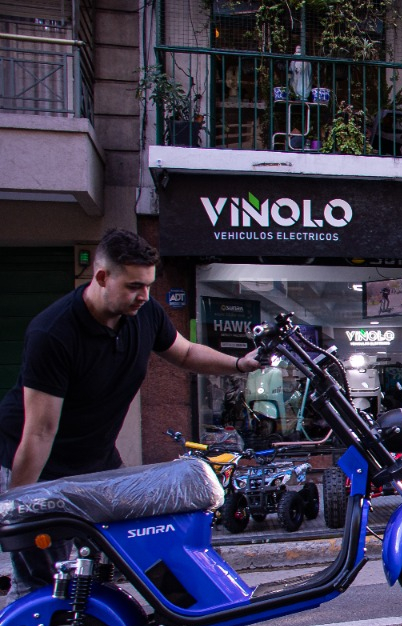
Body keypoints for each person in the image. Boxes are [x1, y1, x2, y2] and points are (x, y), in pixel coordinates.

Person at [0, 228, 259, 601]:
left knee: (131, 549)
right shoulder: (53, 333)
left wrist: (239, 364)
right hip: (40, 467)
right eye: (134, 286)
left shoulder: (145, 313)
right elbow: (40, 431)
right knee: (41, 586)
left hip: (97, 461)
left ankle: (127, 620)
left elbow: (185, 353)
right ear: (101, 277)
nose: (144, 296)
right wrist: (19, 506)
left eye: (149, 286)